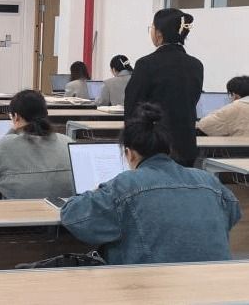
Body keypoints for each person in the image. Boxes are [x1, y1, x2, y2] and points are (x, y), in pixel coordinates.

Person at [61, 104, 240, 265]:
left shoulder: (126, 185)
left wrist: (95, 191)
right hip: (215, 282)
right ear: (169, 149)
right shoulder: (208, 180)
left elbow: (74, 217)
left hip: (152, 285)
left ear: (129, 153)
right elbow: (234, 212)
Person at [124, 8, 203, 167]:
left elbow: (132, 107)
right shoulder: (196, 65)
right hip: (186, 144)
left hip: (155, 147)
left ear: (159, 34)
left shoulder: (146, 64)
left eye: (152, 28)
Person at [0, 90, 73, 199]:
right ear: (45, 114)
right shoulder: (67, 142)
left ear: (16, 117)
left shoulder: (6, 145)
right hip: (63, 209)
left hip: (19, 209)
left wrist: (12, 131)